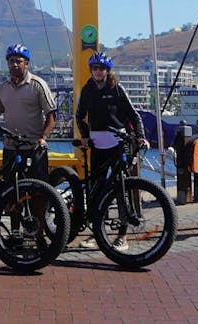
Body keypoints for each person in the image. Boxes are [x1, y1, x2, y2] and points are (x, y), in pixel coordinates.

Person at [76, 51, 150, 251]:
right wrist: (84, 135)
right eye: (95, 68)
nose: (98, 72)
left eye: (102, 69)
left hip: (119, 144)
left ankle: (122, 235)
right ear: (91, 70)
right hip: (98, 145)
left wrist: (141, 136)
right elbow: (79, 116)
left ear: (108, 71)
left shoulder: (117, 88)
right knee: (98, 190)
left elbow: (134, 116)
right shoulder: (88, 90)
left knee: (121, 189)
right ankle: (97, 233)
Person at [0, 43, 57, 245]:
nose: (15, 64)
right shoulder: (4, 87)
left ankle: (39, 234)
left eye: (19, 61)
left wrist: (43, 137)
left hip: (34, 148)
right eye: (11, 61)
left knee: (38, 193)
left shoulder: (37, 85)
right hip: (11, 147)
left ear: (26, 63)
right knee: (12, 192)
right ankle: (16, 233)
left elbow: (51, 115)